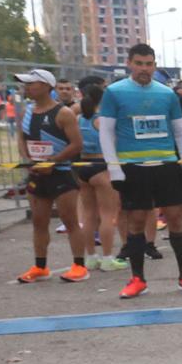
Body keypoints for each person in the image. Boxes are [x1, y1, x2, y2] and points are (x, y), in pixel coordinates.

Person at [98, 43, 182, 298]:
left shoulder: (167, 94)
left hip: (166, 165)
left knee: (176, 218)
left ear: (154, 65)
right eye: (139, 63)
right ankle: (138, 279)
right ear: (130, 64)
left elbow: (180, 130)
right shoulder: (114, 92)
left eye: (149, 64)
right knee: (136, 222)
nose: (144, 69)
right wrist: (115, 170)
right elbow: (106, 133)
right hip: (133, 167)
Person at [9, 69, 89, 283]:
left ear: (46, 86)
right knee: (39, 221)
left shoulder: (63, 113)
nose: (27, 88)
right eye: (25, 84)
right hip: (37, 174)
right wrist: (28, 160)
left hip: (62, 174)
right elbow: (21, 137)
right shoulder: (27, 111)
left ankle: (79, 266)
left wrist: (53, 161)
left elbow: (77, 144)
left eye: (31, 83)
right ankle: (40, 266)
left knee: (69, 220)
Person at [71, 78, 126, 272]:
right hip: (101, 165)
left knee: (88, 215)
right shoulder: (100, 119)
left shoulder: (78, 119)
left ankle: (91, 256)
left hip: (83, 166)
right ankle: (108, 257)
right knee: (107, 215)